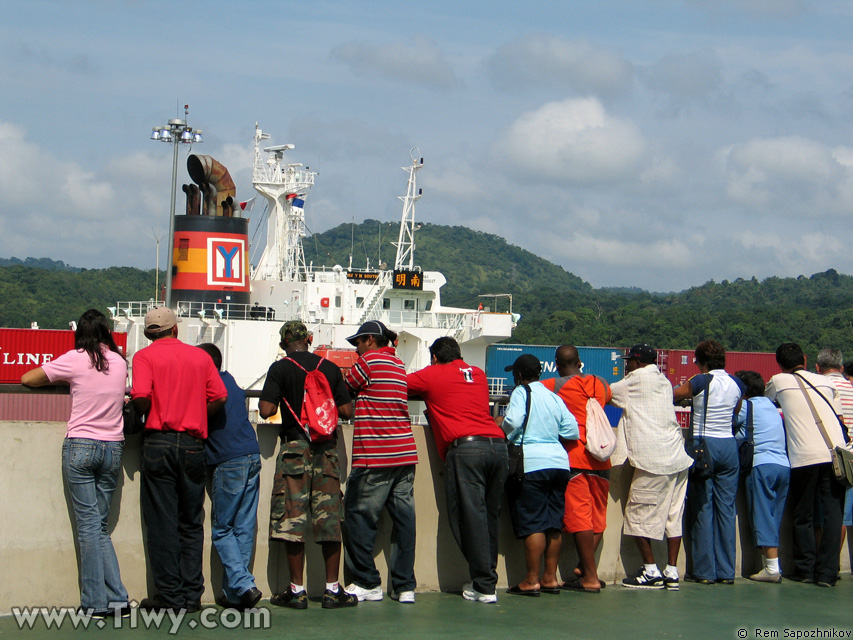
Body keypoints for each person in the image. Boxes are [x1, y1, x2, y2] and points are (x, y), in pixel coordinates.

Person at [21, 309, 131, 618]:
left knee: (88, 526)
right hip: (113, 447)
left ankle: (95, 602)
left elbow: (27, 378)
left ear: (80, 333)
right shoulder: (121, 362)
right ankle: (118, 598)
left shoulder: (76, 358)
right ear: (106, 331)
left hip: (81, 445)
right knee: (99, 526)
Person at [130, 306, 228, 612]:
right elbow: (220, 396)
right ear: (176, 329)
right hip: (192, 444)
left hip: (158, 443)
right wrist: (197, 412)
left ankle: (169, 597)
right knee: (191, 521)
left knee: (162, 523)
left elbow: (141, 397)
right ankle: (191, 595)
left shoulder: (144, 357)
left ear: (149, 334)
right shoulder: (200, 357)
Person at [258, 321, 357, 610]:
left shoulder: (280, 368)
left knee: (292, 517)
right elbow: (347, 411)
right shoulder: (329, 368)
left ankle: (296, 591)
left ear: (283, 344)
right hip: (325, 449)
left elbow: (266, 411)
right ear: (309, 340)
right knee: (329, 518)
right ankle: (331, 590)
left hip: (294, 449)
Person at [406, 337, 508, 604]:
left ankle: (484, 585)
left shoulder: (432, 373)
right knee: (489, 518)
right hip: (498, 446)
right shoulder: (479, 374)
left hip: (466, 450)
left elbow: (398, 386)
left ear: (436, 358)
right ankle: (487, 580)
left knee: (467, 517)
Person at [342, 321, 418, 604]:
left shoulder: (368, 363)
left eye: (358, 343)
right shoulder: (398, 365)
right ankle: (404, 586)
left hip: (374, 456)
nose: (356, 349)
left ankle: (366, 581)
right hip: (404, 455)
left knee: (357, 518)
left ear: (370, 340)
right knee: (404, 523)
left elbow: (344, 386)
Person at [610, 344, 693, 590]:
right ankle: (672, 571)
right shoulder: (664, 381)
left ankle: (650, 571)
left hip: (652, 460)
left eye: (628, 361)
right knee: (673, 517)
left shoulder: (635, 379)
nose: (626, 365)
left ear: (637, 362)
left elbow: (606, 393)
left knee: (637, 516)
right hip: (677, 457)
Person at [766, 343, 846, 586]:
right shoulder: (827, 383)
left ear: (779, 364)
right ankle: (828, 573)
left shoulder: (778, 381)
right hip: (835, 454)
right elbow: (840, 419)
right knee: (833, 515)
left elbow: (767, 401)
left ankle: (805, 569)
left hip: (804, 456)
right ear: (805, 359)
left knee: (803, 514)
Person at [501, 354, 579, 596]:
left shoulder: (522, 392)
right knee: (553, 524)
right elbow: (572, 430)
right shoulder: (553, 396)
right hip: (559, 464)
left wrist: (503, 430)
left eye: (515, 374)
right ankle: (550, 579)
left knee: (533, 523)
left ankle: (531, 580)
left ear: (520, 376)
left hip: (532, 464)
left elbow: (513, 421)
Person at [540, 345, 611, 593]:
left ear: (557, 363)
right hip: (601, 459)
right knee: (598, 517)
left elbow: (531, 394)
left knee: (580, 518)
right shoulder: (600, 383)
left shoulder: (554, 385)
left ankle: (590, 577)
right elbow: (608, 397)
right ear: (580, 362)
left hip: (574, 459)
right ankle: (585, 567)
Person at [197, 343, 263, 611]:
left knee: (222, 529)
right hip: (251, 454)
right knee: (244, 528)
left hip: (227, 462)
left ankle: (244, 584)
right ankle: (236, 595)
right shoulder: (231, 381)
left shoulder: (206, 387)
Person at [673, 340, 744, 585]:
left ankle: (704, 571)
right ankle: (726, 571)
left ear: (701, 361)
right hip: (729, 447)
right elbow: (735, 411)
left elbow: (675, 395)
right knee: (726, 509)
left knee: (702, 506)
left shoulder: (701, 380)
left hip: (705, 446)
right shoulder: (737, 383)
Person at [732, 370, 790, 583]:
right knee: (774, 515)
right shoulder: (773, 407)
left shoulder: (745, 407)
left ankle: (772, 568)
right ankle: (774, 562)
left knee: (763, 514)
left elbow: (731, 426)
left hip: (761, 465)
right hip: (783, 466)